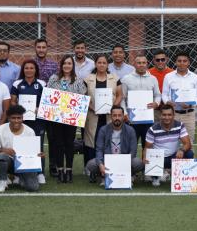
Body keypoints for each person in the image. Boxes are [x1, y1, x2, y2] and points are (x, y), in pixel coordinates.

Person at [47, 55, 87, 183]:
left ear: (72, 65)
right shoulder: (53, 79)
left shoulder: (78, 80)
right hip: (56, 118)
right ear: (61, 65)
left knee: (69, 144)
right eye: (64, 63)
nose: (67, 66)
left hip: (71, 118)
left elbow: (82, 97)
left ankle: (69, 171)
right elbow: (48, 96)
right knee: (58, 144)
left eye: (69, 63)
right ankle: (60, 171)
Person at [11, 59, 48, 184]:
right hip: (22, 121)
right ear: (23, 70)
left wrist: (39, 108)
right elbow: (13, 101)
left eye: (32, 68)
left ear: (35, 70)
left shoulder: (42, 83)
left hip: (38, 120)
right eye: (26, 68)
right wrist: (18, 112)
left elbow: (47, 101)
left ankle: (40, 173)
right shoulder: (17, 84)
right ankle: (18, 173)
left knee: (38, 145)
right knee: (20, 146)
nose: (29, 70)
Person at [85, 106, 144, 184]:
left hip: (124, 160)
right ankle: (104, 175)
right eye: (114, 115)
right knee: (91, 164)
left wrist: (124, 163)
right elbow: (99, 150)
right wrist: (101, 165)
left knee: (138, 163)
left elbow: (133, 151)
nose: (117, 118)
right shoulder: (103, 130)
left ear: (123, 117)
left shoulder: (130, 130)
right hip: (108, 161)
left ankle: (127, 174)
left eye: (119, 115)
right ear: (111, 116)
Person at [0, 105, 44, 193]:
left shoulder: (30, 131)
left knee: (33, 187)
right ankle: (3, 180)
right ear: (8, 118)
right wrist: (5, 150)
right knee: (1, 156)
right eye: (13, 118)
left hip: (25, 164)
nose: (16, 121)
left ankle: (21, 178)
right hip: (9, 162)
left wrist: (39, 155)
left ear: (22, 118)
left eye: (19, 118)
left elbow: (33, 152)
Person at [84, 55, 123, 168]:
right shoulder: (88, 79)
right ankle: (90, 167)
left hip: (109, 116)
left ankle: (109, 165)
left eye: (104, 63)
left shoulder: (115, 78)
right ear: (95, 64)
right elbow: (83, 97)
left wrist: (114, 108)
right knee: (92, 140)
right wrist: (91, 107)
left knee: (108, 139)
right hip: (93, 115)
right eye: (99, 62)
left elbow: (120, 95)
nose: (101, 65)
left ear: (107, 65)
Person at [143, 104, 193, 187]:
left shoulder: (180, 125)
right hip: (158, 158)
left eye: (169, 115)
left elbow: (188, 144)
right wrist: (145, 158)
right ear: (160, 115)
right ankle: (156, 176)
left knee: (189, 153)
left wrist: (182, 150)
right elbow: (147, 148)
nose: (167, 117)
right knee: (148, 156)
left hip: (174, 157)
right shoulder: (153, 129)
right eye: (164, 115)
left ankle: (180, 176)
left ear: (174, 115)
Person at [121, 55, 162, 148]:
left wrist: (156, 103)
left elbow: (158, 95)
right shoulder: (126, 79)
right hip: (131, 120)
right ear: (134, 64)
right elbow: (122, 98)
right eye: (139, 63)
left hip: (148, 119)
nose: (141, 65)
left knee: (148, 147)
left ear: (147, 64)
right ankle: (131, 163)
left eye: (144, 63)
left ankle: (145, 163)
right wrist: (125, 113)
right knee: (130, 147)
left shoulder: (153, 79)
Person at [161, 51, 197, 143]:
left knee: (189, 143)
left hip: (189, 114)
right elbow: (164, 94)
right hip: (173, 115)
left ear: (188, 62)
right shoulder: (168, 76)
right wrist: (167, 102)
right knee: (171, 142)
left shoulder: (194, 77)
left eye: (184, 61)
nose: (182, 63)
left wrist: (191, 104)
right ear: (175, 62)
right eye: (179, 61)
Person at [148, 49, 173, 121]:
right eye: (157, 60)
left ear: (167, 59)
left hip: (169, 110)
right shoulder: (148, 73)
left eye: (162, 59)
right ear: (153, 60)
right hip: (154, 110)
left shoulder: (173, 73)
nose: (160, 62)